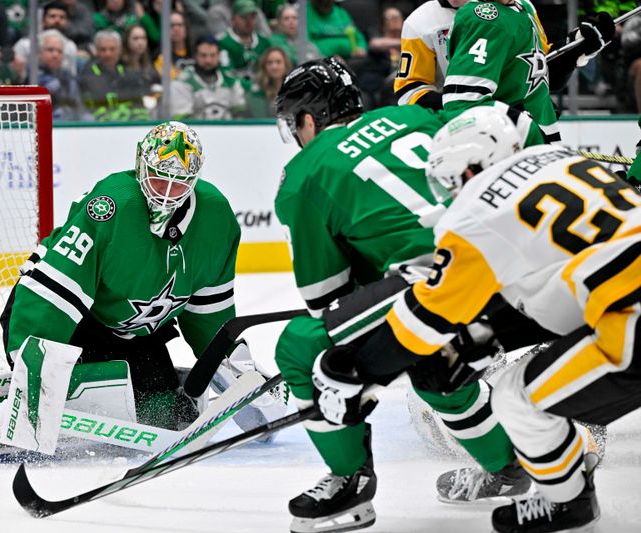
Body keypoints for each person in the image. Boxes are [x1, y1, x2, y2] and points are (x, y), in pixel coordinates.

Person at [309, 105, 641, 532]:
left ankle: (568, 501)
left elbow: (424, 318)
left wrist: (361, 370)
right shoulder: (561, 161)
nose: (448, 193)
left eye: (449, 181)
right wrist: (490, 333)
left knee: (515, 397)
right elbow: (562, 288)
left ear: (471, 168)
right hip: (622, 296)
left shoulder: (479, 209)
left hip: (632, 322)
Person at [271, 58, 546, 533]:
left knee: (300, 345)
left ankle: (347, 482)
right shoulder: (413, 114)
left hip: (437, 284)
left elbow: (327, 301)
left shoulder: (304, 174)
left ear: (308, 121)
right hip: (512, 259)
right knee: (435, 368)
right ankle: (508, 468)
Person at [0, 121, 243, 431]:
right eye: (158, 180)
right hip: (67, 321)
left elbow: (208, 313)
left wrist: (231, 362)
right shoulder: (112, 206)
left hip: (131, 333)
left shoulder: (216, 218)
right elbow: (53, 293)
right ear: (140, 164)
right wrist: (33, 366)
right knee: (75, 396)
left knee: (163, 414)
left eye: (179, 183)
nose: (167, 195)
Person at [442, 0, 615, 143]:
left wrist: (577, 47)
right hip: (508, 154)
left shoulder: (524, 7)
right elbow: (462, 105)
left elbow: (540, 76)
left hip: (541, 146)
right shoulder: (484, 18)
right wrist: (522, 126)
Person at [78, 30, 152, 121]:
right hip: (103, 128)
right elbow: (91, 110)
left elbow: (139, 106)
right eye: (103, 49)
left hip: (131, 127)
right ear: (96, 51)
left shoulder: (128, 73)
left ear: (119, 50)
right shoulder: (87, 76)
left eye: (112, 49)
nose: (108, 54)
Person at [171, 35, 246, 120]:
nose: (208, 60)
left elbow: (239, 114)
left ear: (218, 56)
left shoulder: (231, 80)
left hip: (227, 131)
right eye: (203, 55)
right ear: (195, 56)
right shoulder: (182, 82)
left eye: (213, 55)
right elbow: (182, 120)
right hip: (195, 131)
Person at [14, 1, 80, 77]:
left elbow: (71, 76)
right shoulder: (25, 45)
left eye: (62, 17)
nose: (57, 20)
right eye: (52, 16)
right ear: (43, 20)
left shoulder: (70, 46)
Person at [37, 29, 88, 121]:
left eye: (59, 51)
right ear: (40, 53)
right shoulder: (31, 74)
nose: (55, 55)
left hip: (70, 127)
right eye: (50, 50)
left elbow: (79, 107)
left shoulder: (68, 77)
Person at [217, 0, 271, 83]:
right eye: (244, 17)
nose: (249, 21)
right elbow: (227, 75)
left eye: (252, 17)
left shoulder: (264, 42)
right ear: (233, 19)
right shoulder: (223, 42)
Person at [246, 46, 291, 118]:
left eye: (278, 62)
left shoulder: (294, 89)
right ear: (264, 66)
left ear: (286, 65)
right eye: (270, 63)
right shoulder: (257, 93)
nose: (274, 66)